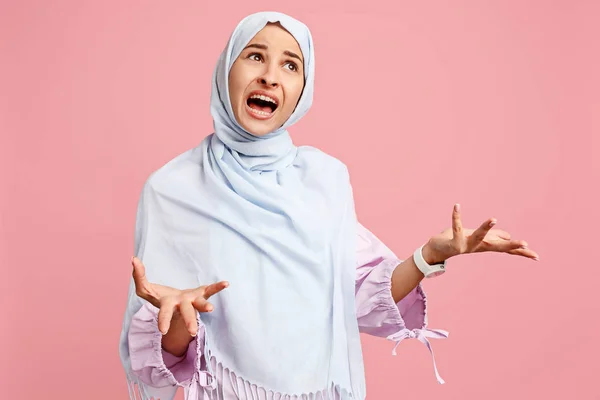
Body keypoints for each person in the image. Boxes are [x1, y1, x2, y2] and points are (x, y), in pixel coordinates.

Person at [118, 11, 539, 400]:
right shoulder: (172, 189)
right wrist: (176, 319)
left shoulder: (324, 179)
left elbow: (353, 299)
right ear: (226, 68)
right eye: (254, 56)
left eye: (290, 65)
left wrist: (431, 256)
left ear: (304, 88)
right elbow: (163, 356)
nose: (269, 76)